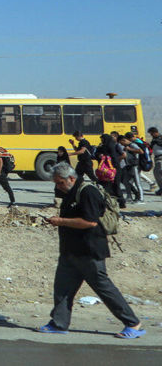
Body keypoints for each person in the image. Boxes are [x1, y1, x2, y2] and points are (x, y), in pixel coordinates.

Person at [36, 163, 144, 338]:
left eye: (60, 183)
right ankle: (59, 323)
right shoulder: (71, 193)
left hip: (89, 251)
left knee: (104, 289)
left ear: (71, 178)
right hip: (71, 251)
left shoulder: (87, 192)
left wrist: (61, 221)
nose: (58, 187)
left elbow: (90, 222)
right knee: (62, 289)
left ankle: (133, 323)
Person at [95, 134, 125, 209]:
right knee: (105, 185)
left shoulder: (111, 146)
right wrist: (99, 155)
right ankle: (108, 203)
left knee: (116, 186)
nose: (101, 141)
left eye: (102, 139)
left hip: (113, 169)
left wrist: (112, 166)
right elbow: (96, 154)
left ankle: (121, 203)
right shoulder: (103, 146)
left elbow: (115, 157)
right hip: (106, 170)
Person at [119, 133, 143, 203]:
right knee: (126, 182)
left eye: (122, 143)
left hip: (135, 166)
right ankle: (129, 197)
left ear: (124, 140)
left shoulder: (132, 145)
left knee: (137, 182)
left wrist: (130, 149)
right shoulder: (126, 146)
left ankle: (141, 198)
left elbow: (141, 151)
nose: (122, 145)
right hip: (128, 166)